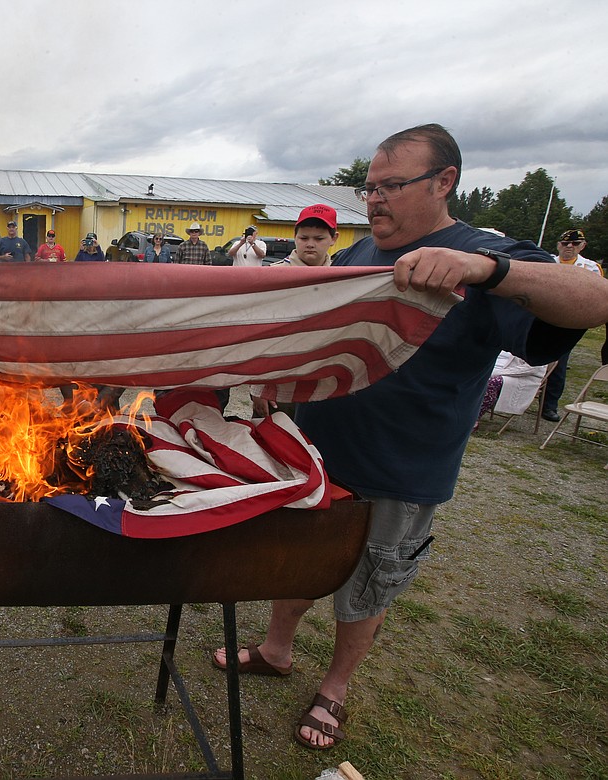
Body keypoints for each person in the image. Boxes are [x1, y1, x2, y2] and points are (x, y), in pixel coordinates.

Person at [212, 123, 608, 751]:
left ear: (444, 181)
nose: (374, 199)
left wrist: (487, 269)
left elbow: (595, 299)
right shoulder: (358, 254)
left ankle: (335, 688)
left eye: (392, 185)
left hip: (402, 466)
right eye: (369, 187)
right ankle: (276, 649)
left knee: (370, 582)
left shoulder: (484, 253)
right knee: (296, 561)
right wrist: (278, 383)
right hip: (313, 454)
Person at [250, 205, 340, 418]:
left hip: (324, 383)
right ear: (295, 237)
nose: (310, 244)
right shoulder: (273, 277)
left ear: (334, 238)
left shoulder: (342, 279)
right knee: (276, 443)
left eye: (319, 239)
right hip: (279, 382)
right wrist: (257, 387)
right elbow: (255, 333)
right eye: (304, 238)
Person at [541, 229, 603, 421]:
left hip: (568, 321)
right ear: (558, 245)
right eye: (565, 243)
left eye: (575, 244)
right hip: (541, 316)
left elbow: (597, 296)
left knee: (558, 364)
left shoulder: (591, 268)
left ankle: (549, 406)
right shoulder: (546, 262)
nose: (569, 247)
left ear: (582, 246)